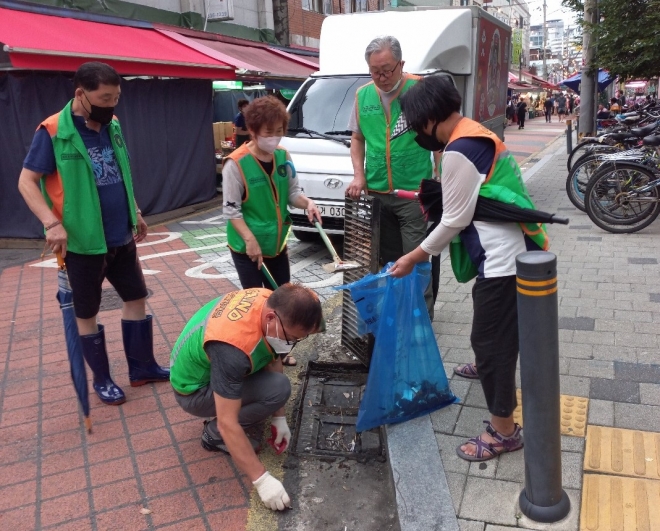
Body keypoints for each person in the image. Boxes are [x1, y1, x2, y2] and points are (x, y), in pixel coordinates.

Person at [392, 75, 549, 461]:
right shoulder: (473, 132)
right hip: (508, 251)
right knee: (489, 332)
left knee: (493, 342)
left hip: (502, 260)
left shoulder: (459, 149)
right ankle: (484, 366)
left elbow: (454, 220)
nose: (416, 133)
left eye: (415, 125)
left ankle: (504, 431)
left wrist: (414, 256)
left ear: (429, 118)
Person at [17, 62, 169, 406]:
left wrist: (135, 210)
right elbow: (26, 182)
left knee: (136, 298)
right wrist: (51, 224)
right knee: (87, 311)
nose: (111, 104)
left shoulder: (111, 123)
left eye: (116, 97)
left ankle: (142, 367)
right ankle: (102, 379)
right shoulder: (54, 131)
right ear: (80, 94)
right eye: (104, 97)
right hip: (83, 242)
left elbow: (119, 170)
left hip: (121, 235)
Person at [170, 284, 323, 510]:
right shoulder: (232, 348)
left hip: (214, 368)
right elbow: (228, 422)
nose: (291, 345)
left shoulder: (269, 302)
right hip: (195, 391)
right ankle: (211, 436)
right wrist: (262, 480)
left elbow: (272, 355)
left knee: (277, 388)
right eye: (291, 338)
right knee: (278, 389)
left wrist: (278, 417)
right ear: (271, 318)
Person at [222, 96, 321, 367]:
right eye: (269, 132)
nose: (275, 138)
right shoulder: (236, 164)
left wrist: (308, 203)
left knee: (283, 300)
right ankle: (260, 357)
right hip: (248, 249)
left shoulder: (283, 156)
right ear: (253, 131)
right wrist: (250, 240)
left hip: (276, 245)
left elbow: (293, 194)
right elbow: (231, 211)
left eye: (280, 131)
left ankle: (281, 352)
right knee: (258, 303)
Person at [346, 36, 438, 317]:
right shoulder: (363, 95)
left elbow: (439, 138)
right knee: (385, 259)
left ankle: (421, 319)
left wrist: (442, 178)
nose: (382, 77)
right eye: (375, 71)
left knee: (416, 259)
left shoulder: (419, 89)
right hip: (377, 192)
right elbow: (358, 138)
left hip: (414, 192)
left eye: (387, 70)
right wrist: (359, 176)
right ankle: (394, 314)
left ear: (401, 64)